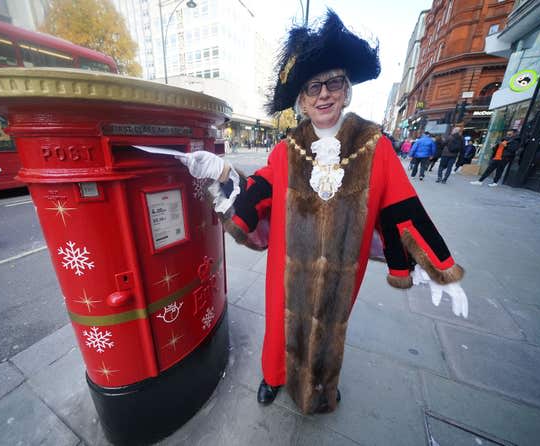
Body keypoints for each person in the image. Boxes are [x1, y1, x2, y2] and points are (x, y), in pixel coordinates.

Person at [180, 10, 468, 415]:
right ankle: (273, 376)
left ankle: (320, 387)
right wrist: (223, 173)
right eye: (313, 87)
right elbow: (258, 193)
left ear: (346, 90)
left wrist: (438, 268)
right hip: (287, 268)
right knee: (280, 327)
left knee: (329, 332)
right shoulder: (285, 150)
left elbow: (401, 207)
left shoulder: (375, 147)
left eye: (333, 83)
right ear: (301, 100)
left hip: (339, 273)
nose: (323, 94)